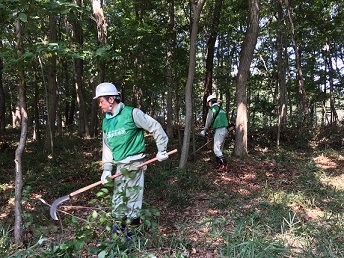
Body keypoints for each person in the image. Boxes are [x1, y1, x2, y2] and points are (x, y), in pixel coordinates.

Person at [93, 82, 169, 238]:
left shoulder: (131, 113)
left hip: (135, 164)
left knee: (132, 202)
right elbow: (107, 146)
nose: (100, 105)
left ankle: (131, 238)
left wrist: (162, 149)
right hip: (120, 167)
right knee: (118, 202)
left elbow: (154, 126)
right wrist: (107, 169)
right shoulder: (106, 122)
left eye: (101, 101)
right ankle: (117, 237)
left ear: (111, 99)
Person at [200, 94, 229, 172]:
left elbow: (208, 121)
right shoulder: (221, 109)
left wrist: (204, 130)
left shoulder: (212, 109)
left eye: (208, 102)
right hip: (225, 130)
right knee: (220, 149)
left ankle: (225, 165)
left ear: (210, 101)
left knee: (216, 150)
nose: (208, 104)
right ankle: (219, 164)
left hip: (219, 130)